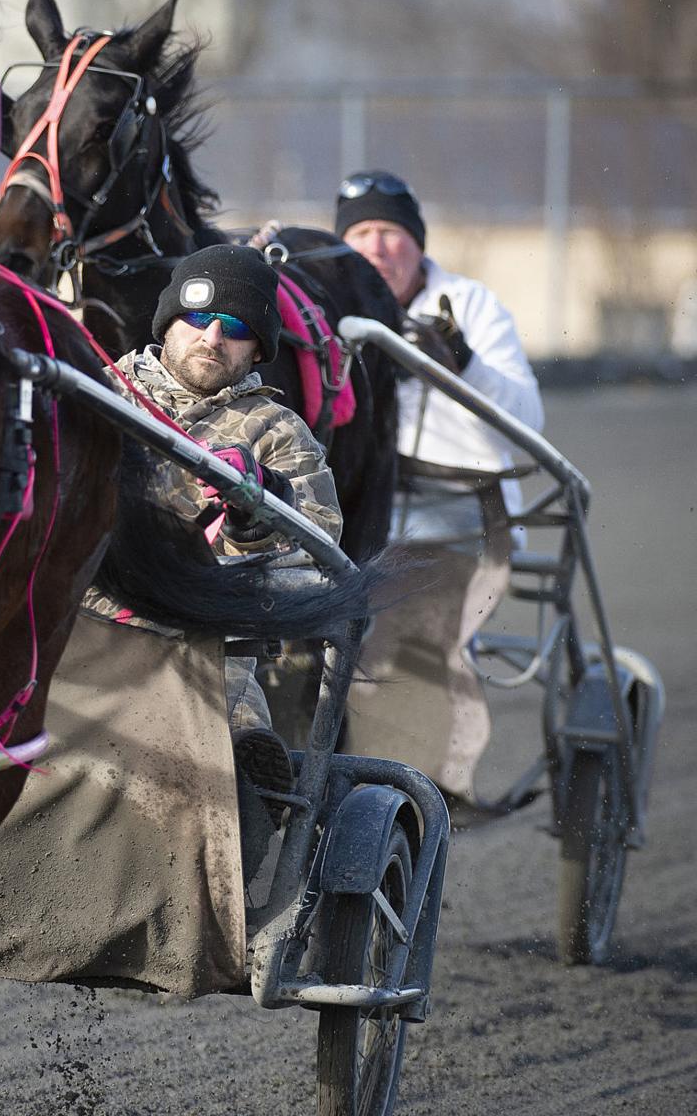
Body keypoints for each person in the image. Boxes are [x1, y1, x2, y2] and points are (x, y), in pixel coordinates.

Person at [81, 244, 343, 837]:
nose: (212, 338)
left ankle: (245, 792)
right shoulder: (94, 398)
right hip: (80, 633)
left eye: (236, 328)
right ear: (169, 321)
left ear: (258, 347)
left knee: (229, 728)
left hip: (204, 645)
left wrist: (260, 513)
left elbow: (318, 552)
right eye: (199, 319)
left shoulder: (279, 433)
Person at [334, 170, 544, 819]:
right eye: (362, 232)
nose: (377, 247)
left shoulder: (470, 306)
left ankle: (409, 790)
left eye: (391, 232)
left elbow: (528, 420)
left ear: (417, 243)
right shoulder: (326, 302)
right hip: (354, 515)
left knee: (392, 637)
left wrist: (462, 361)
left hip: (458, 521)